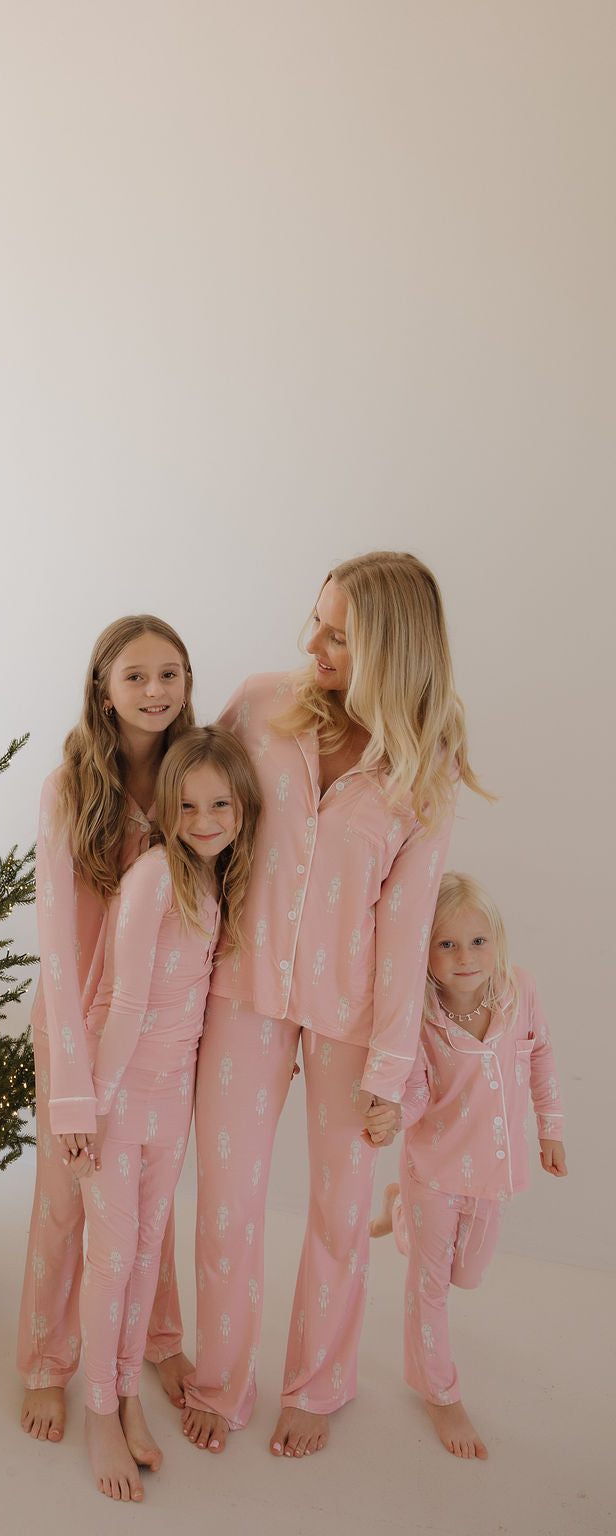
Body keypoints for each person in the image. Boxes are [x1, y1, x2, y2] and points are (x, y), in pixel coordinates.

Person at [182, 550, 489, 1458]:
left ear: (391, 651)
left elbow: (405, 930)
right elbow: (196, 820)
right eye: (315, 618)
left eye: (338, 635)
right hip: (241, 988)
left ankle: (319, 1382)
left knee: (340, 1209)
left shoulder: (421, 765)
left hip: (352, 1017)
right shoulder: (256, 707)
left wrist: (395, 1068)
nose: (310, 641)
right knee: (227, 1202)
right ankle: (219, 1378)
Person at [18, 615, 196, 1443]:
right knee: (66, 1202)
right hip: (75, 1032)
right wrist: (73, 1079)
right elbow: (55, 941)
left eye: (171, 674)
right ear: (103, 687)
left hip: (160, 1042)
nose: (156, 691)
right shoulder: (69, 787)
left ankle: (157, 1343)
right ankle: (49, 1363)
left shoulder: (195, 782)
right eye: (137, 676)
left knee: (146, 1201)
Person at [73, 727, 262, 1500]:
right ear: (167, 810)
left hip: (169, 1109)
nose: (207, 817)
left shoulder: (213, 884)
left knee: (146, 1257)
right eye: (188, 805)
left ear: (243, 805)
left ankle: (124, 1396)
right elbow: (122, 1005)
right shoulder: (154, 878)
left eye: (221, 803)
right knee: (112, 1260)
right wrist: (91, 1106)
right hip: (118, 1102)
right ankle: (96, 1412)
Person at [367, 870, 566, 1460]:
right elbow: (417, 1090)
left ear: (497, 940)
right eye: (447, 944)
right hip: (434, 1170)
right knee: (429, 1286)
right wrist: (395, 1117)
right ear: (423, 951)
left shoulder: (518, 991)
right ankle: (439, 1390)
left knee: (469, 1274)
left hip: (492, 1177)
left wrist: (551, 1129)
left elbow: (543, 1056)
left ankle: (395, 1211)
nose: (465, 957)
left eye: (477, 942)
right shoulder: (421, 1016)